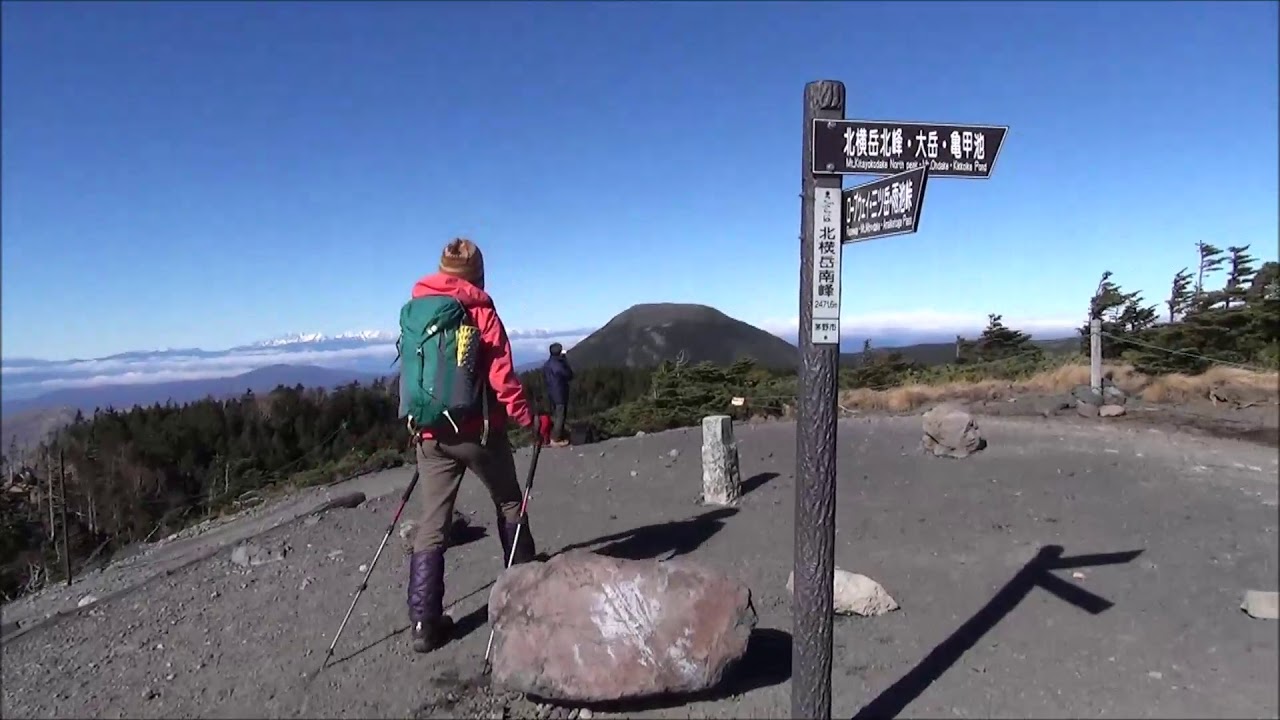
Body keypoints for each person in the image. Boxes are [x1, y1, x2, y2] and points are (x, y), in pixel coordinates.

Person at [404, 238, 551, 654]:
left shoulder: (418, 309)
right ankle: (524, 588)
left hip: (429, 434)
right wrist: (531, 421)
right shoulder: (481, 312)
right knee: (508, 502)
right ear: (477, 275)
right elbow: (503, 381)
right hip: (478, 433)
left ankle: (423, 624)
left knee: (432, 523)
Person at [542, 342, 574, 448]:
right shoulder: (559, 365)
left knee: (556, 414)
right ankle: (556, 438)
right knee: (561, 415)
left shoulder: (547, 364)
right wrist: (565, 361)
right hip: (560, 393)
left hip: (551, 392)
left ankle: (556, 434)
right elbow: (569, 375)